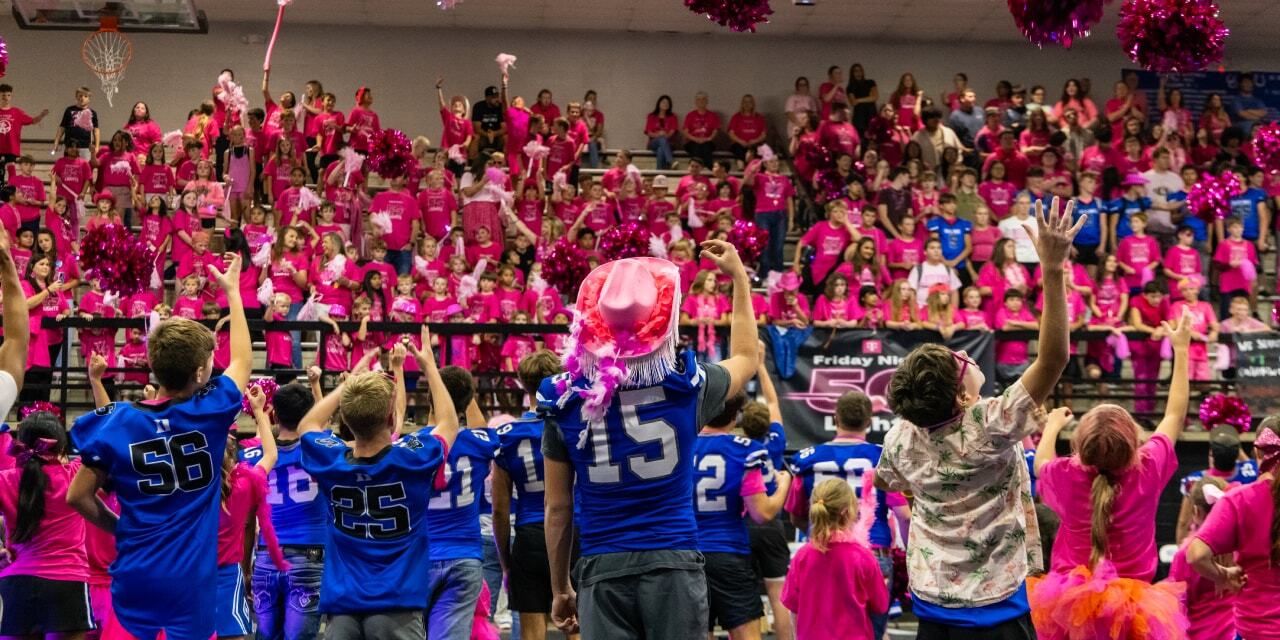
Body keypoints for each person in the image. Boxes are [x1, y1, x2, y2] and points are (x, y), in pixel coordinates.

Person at [875, 197, 1083, 639]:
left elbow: (889, 484)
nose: (966, 353)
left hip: (932, 606)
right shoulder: (990, 424)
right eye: (959, 359)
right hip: (997, 609)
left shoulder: (899, 437)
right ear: (963, 397)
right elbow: (1054, 357)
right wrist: (1051, 268)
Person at [539, 243, 758, 638]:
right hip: (673, 559)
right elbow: (745, 355)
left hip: (603, 564)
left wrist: (559, 588)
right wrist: (739, 279)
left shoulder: (565, 401)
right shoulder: (689, 389)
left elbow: (557, 507)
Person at [67, 253, 251, 640]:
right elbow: (242, 362)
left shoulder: (117, 420)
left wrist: (119, 527)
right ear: (200, 372)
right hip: (190, 583)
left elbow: (78, 496)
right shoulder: (211, 413)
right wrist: (233, 293)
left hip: (136, 569)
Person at [1029, 310, 1192, 640]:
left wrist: (1051, 427)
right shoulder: (1149, 465)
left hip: (1068, 603)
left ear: (1081, 445)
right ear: (1134, 441)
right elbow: (1175, 413)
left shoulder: (1066, 473)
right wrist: (1182, 349)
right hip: (1136, 605)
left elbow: (1040, 463)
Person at [294, 332, 459, 640]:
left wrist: (347, 387)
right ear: (389, 417)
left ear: (344, 415)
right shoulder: (413, 458)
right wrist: (429, 367)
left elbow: (308, 426)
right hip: (397, 603)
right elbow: (449, 423)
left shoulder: (330, 460)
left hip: (341, 605)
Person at [786, 390, 908, 640]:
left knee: (820, 625)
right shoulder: (881, 457)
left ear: (835, 417)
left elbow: (796, 515)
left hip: (818, 551)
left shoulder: (808, 459)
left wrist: (816, 530)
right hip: (872, 552)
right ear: (869, 421)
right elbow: (903, 514)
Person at [693, 390, 791, 640]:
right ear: (735, 417)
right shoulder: (747, 450)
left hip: (686, 555)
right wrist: (784, 485)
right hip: (728, 552)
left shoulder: (680, 446)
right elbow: (761, 513)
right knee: (745, 633)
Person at [244, 378, 326, 640]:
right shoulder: (324, 451)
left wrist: (245, 566)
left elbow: (246, 520)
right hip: (310, 556)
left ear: (275, 414)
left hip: (266, 556)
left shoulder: (250, 456)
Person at [1186, 417, 1280, 640]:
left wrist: (1224, 576)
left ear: (1258, 452)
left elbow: (1196, 555)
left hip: (1257, 628)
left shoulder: (1240, 499)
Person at [493, 350, 564, 640]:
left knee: (532, 633)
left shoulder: (508, 434)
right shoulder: (571, 425)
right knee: (577, 626)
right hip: (572, 530)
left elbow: (499, 508)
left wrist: (506, 561)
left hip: (529, 533)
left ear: (523, 383)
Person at [425, 367, 498, 640]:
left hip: (422, 555)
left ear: (432, 398)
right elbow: (481, 430)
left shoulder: (415, 445)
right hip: (465, 556)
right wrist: (466, 396)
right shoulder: (480, 443)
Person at [781, 479, 890, 640]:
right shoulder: (863, 557)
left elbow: (792, 607)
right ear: (848, 511)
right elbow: (880, 605)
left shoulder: (802, 556)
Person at [1174, 424, 1259, 543]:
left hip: (1205, 542)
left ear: (1211, 455)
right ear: (1237, 454)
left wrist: (1181, 548)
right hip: (1238, 541)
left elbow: (1184, 521)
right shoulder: (1250, 473)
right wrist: (1232, 445)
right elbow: (1253, 464)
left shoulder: (1194, 480)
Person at [0, 84, 49, 186]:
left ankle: (11, 190)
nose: (6, 98)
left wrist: (41, 115)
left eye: (8, 95)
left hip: (11, 146)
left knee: (11, 167)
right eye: (3, 95)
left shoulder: (16, 112)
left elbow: (32, 120)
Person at [52, 87, 98, 161]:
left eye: (85, 96)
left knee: (84, 167)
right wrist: (56, 142)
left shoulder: (92, 113)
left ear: (89, 99)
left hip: (85, 147)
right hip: (69, 146)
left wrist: (97, 146)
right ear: (76, 97)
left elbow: (96, 131)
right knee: (68, 166)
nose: (82, 98)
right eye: (80, 96)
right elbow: (62, 127)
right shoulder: (69, 110)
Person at [682, 91, 721, 168]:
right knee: (697, 147)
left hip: (707, 142)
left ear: (707, 101)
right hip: (692, 142)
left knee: (705, 146)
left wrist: (708, 138)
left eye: (703, 99)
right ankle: (705, 168)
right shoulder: (690, 115)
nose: (701, 101)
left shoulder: (712, 116)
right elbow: (685, 132)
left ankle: (697, 167)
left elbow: (715, 131)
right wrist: (696, 139)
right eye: (699, 99)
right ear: (696, 102)